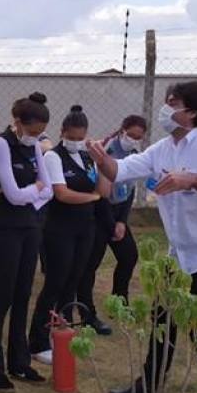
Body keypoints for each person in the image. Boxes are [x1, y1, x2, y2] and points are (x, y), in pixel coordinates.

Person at [88, 81, 197, 393]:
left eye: (171, 103)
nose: (164, 109)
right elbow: (120, 172)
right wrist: (102, 160)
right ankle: (149, 384)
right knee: (162, 316)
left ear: (192, 112)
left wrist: (192, 179)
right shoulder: (163, 148)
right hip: (182, 251)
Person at [0, 96, 53, 391]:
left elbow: (47, 189)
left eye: (40, 132)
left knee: (23, 295)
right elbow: (11, 195)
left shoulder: (33, 145)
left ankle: (19, 362)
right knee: (4, 298)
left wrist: (31, 192)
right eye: (33, 130)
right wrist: (31, 190)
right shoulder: (0, 145)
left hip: (30, 227)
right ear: (18, 122)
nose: (36, 137)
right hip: (7, 229)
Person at [28, 106, 110, 364]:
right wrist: (92, 197)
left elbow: (104, 190)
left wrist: (103, 163)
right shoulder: (54, 156)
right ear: (63, 132)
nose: (75, 142)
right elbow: (61, 193)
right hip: (59, 230)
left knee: (72, 283)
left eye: (80, 137)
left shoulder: (86, 158)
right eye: (71, 137)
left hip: (85, 229)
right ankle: (38, 341)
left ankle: (61, 330)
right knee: (55, 282)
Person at [75, 114, 147, 334]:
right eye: (131, 135)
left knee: (129, 256)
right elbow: (101, 194)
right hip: (98, 215)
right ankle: (88, 315)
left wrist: (122, 222)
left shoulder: (135, 155)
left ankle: (120, 304)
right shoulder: (105, 152)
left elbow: (130, 190)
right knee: (89, 267)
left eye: (139, 137)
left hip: (117, 214)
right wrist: (111, 223)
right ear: (121, 130)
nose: (133, 140)